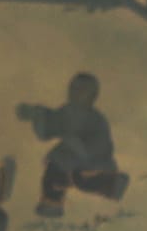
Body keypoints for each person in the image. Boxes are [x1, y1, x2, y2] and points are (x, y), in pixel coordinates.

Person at [18, 70, 126, 217]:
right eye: (72, 88)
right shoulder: (66, 111)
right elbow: (51, 124)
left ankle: (112, 184)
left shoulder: (96, 119)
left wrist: (80, 148)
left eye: (81, 90)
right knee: (54, 170)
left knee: (83, 179)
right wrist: (36, 114)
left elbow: (101, 145)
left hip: (93, 159)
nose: (74, 93)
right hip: (68, 156)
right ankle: (51, 204)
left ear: (92, 97)